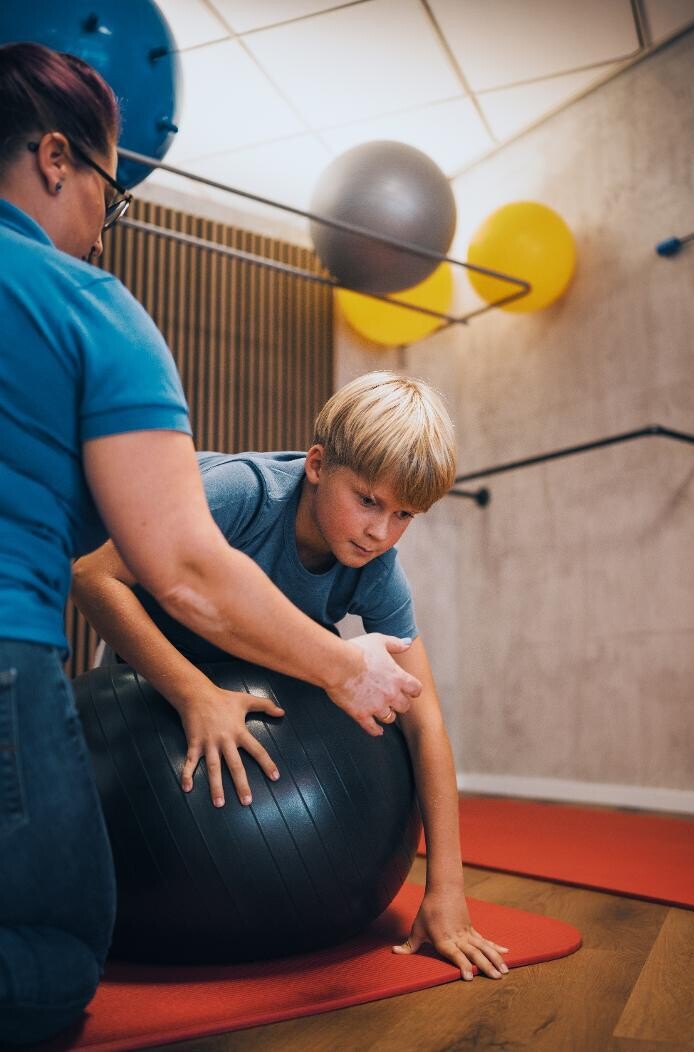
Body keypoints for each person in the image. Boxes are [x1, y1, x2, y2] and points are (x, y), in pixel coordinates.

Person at [0, 43, 420, 1046]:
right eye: (110, 187)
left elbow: (426, 701)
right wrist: (336, 668)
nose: (104, 221)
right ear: (56, 158)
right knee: (58, 949)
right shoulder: (88, 306)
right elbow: (178, 570)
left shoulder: (379, 560)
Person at [73, 371, 510, 983]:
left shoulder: (375, 568)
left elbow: (424, 720)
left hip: (252, 674)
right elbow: (93, 578)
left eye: (404, 513)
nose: (379, 532)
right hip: (147, 674)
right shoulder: (239, 493)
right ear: (317, 464)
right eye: (367, 500)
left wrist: (446, 889)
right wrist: (194, 692)